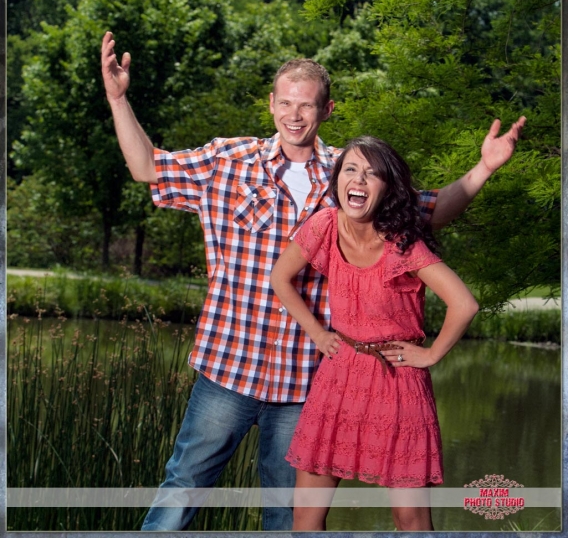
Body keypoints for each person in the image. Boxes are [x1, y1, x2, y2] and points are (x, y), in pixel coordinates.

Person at [100, 30, 525, 531]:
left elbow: (427, 211)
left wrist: (483, 168)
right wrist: (118, 98)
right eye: (286, 103)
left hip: (308, 380)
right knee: (181, 491)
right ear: (271, 105)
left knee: (288, 515)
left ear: (327, 110)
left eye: (307, 105)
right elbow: (147, 167)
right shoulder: (227, 161)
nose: (295, 115)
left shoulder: (350, 173)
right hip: (229, 368)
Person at [270, 135, 480, 531]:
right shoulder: (323, 225)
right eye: (351, 169)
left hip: (397, 381)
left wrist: (430, 354)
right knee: (305, 515)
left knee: (411, 519)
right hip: (339, 374)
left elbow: (464, 304)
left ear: (387, 188)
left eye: (372, 173)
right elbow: (280, 276)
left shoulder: (404, 244)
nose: (360, 180)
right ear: (337, 181)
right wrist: (316, 332)